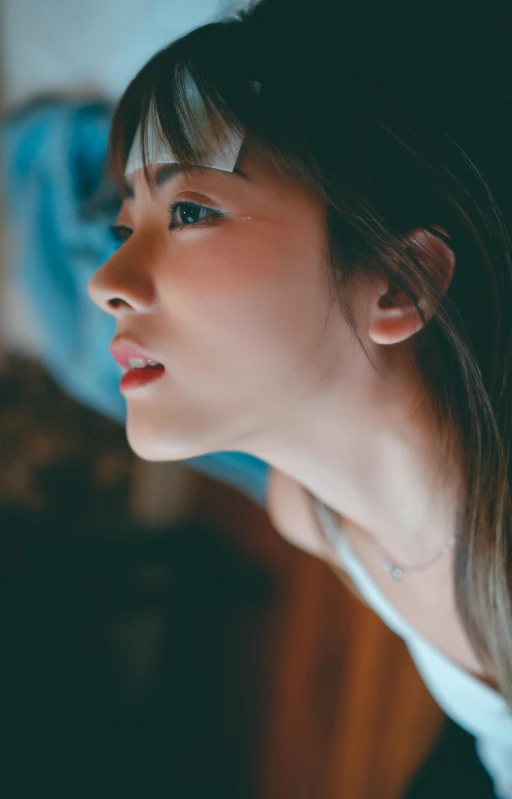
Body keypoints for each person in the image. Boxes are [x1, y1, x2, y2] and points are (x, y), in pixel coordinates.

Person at [87, 0, 512, 795]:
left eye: (189, 211)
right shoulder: (306, 512)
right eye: (123, 229)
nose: (106, 282)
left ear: (399, 282)